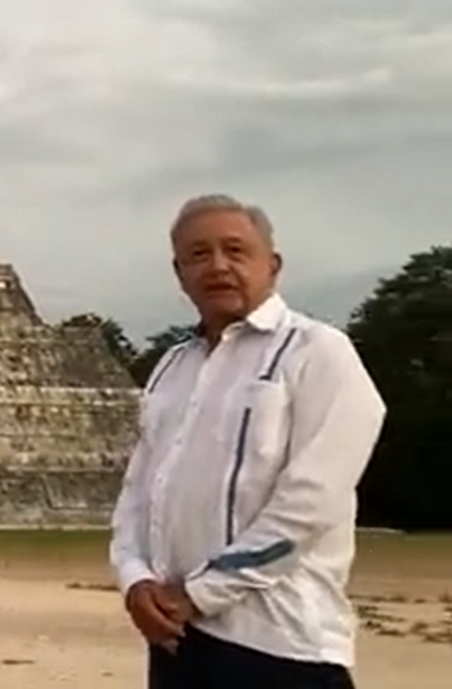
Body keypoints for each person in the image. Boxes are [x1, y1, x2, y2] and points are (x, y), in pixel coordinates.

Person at [109, 194, 386, 689]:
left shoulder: (317, 352)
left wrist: (200, 592)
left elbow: (310, 503)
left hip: (281, 642)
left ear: (272, 265)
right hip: (177, 638)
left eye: (235, 251)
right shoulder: (174, 367)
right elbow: (139, 492)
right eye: (199, 255)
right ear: (179, 274)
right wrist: (135, 580)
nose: (218, 265)